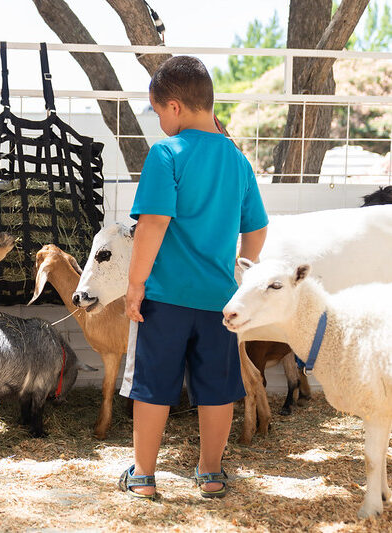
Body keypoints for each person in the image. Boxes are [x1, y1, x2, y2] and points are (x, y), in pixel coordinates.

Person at [118, 56, 269, 501]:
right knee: (217, 389)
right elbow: (257, 228)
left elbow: (152, 224)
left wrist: (134, 285)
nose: (160, 121)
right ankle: (211, 474)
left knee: (153, 386)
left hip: (164, 298)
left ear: (176, 107)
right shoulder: (238, 161)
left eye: (159, 111)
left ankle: (144, 477)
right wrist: (241, 274)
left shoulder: (166, 154)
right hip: (219, 301)